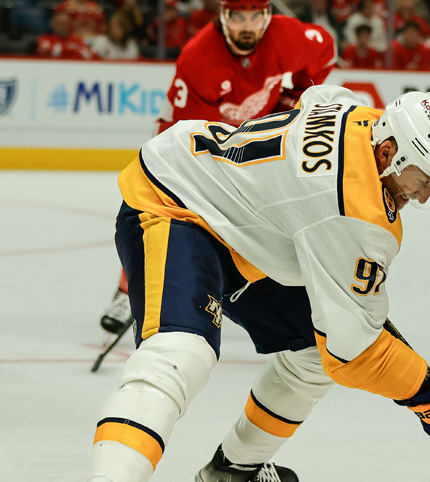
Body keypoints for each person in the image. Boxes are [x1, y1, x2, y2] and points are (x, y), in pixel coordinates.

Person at [30, 86, 430, 482]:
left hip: (241, 227)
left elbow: (318, 96)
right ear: (388, 153)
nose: (423, 195)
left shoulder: (355, 112)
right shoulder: (354, 214)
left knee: (312, 349)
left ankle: (233, 471)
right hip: (177, 201)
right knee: (182, 351)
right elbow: (353, 353)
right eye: (422, 179)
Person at [98, 0, 337, 337]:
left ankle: (262, 295)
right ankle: (128, 290)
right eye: (238, 16)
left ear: (267, 16)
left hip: (247, 133)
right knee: (161, 214)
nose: (247, 26)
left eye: (255, 16)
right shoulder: (200, 58)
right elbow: (192, 141)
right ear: (223, 16)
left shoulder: (288, 37)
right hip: (185, 141)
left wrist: (291, 99)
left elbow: (324, 53)